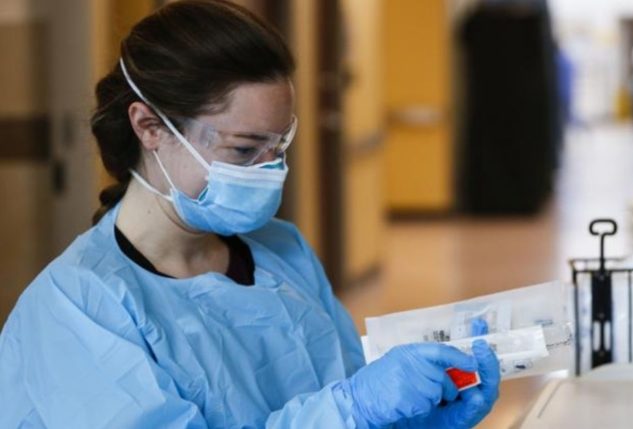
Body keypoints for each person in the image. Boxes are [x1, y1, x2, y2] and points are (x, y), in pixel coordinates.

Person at [0, 1, 500, 427]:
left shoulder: (282, 253)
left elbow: (344, 393)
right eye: (243, 150)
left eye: (278, 146)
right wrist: (353, 409)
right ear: (150, 127)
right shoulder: (76, 308)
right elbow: (343, 407)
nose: (269, 171)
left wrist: (406, 418)